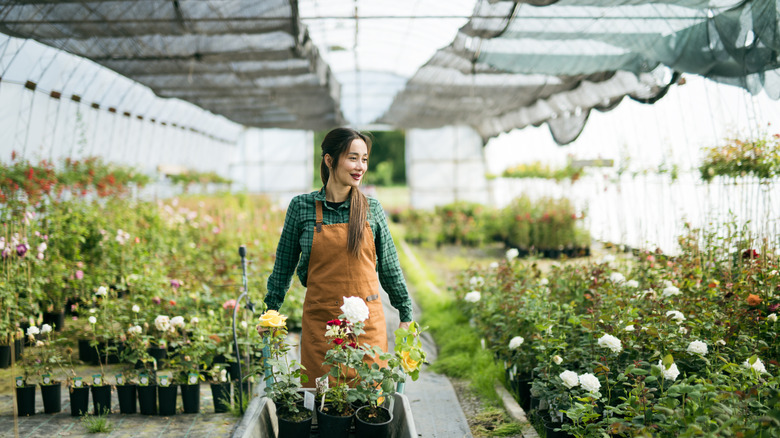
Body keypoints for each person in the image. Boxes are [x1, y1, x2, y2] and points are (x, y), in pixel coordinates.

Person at [263, 127, 413, 387]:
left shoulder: (371, 209)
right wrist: (270, 313)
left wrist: (406, 315)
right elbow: (283, 268)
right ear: (329, 160)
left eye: (364, 159)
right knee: (321, 406)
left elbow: (390, 268)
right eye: (352, 158)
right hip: (322, 326)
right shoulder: (302, 207)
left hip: (367, 328)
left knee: (369, 405)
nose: (360, 167)